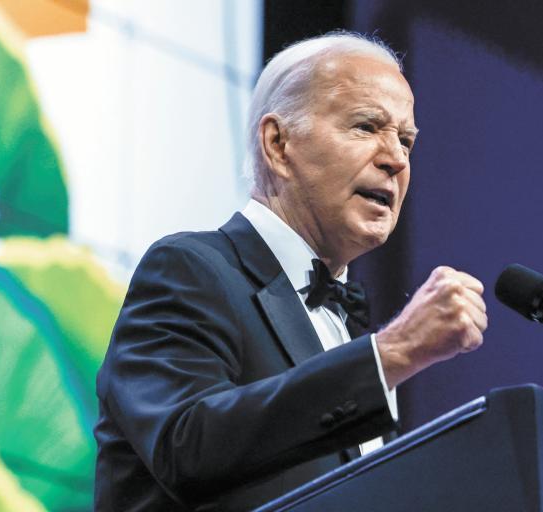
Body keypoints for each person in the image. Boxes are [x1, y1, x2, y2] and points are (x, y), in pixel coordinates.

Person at [94, 32, 487, 511]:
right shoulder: (190, 269)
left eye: (406, 139)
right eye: (367, 126)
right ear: (278, 144)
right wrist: (395, 352)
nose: (396, 159)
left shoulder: (340, 325)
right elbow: (184, 445)